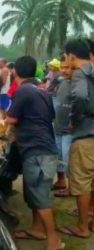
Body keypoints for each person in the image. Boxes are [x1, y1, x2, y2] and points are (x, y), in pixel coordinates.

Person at [5, 56, 62, 250]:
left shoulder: (23, 91)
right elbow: (49, 117)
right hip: (44, 148)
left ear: (16, 72)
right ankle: (37, 229)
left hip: (37, 150)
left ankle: (53, 239)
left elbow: (10, 119)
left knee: (40, 194)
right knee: (35, 192)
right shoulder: (42, 91)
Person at [57, 39, 94, 239]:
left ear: (71, 56)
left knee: (81, 182)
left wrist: (76, 117)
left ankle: (82, 227)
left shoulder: (80, 73)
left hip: (86, 135)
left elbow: (79, 96)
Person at [52, 55, 73, 197]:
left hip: (70, 130)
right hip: (58, 126)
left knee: (69, 160)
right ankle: (61, 181)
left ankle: (73, 188)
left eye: (67, 68)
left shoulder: (80, 84)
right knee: (58, 156)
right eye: (62, 67)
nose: (64, 71)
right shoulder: (62, 82)